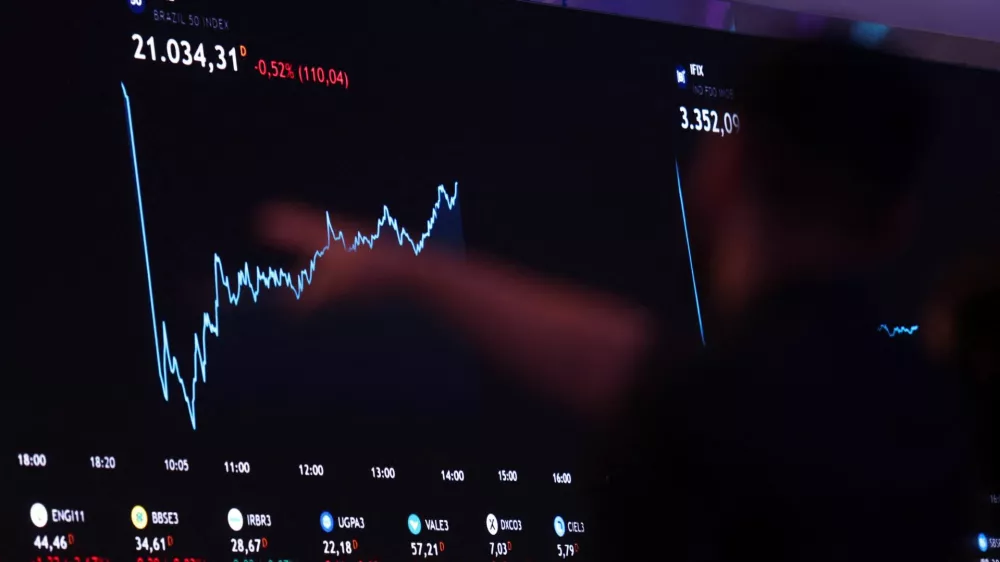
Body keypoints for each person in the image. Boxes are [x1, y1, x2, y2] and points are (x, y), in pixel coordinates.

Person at [259, 39, 972, 560]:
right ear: (896, 226)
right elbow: (637, 366)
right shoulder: (946, 420)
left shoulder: (712, 414)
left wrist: (405, 271)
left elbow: (648, 377)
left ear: (720, 173)